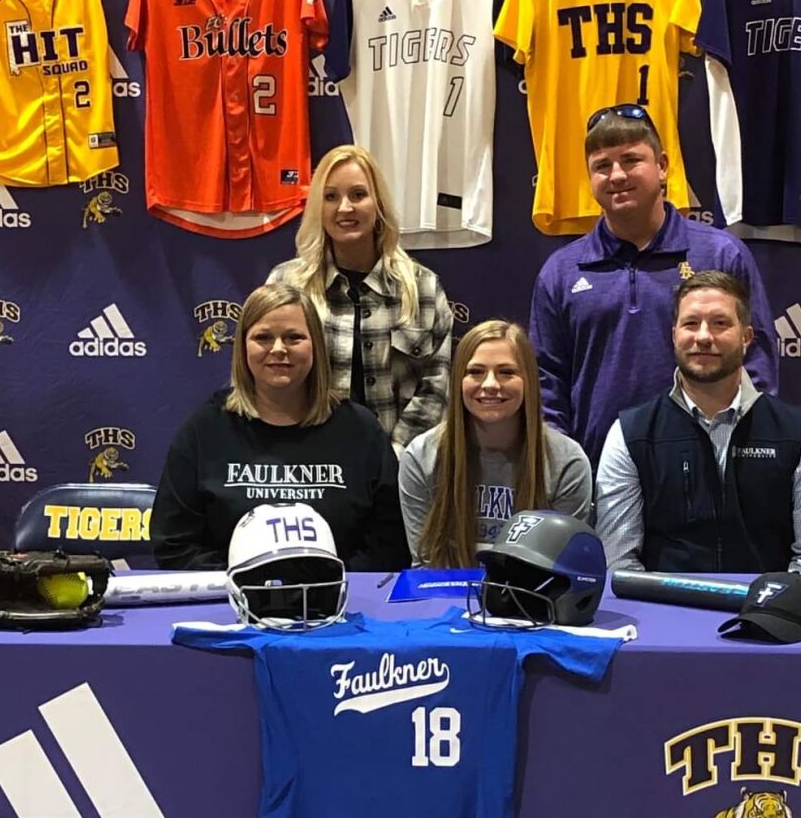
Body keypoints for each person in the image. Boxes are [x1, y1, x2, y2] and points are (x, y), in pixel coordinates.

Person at [529, 106, 778, 469]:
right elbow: (546, 380)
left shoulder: (721, 253)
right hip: (599, 475)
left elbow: (756, 363)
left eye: (631, 160)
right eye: (602, 165)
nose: (616, 175)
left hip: (710, 471)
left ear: (662, 166)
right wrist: (565, 467)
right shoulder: (561, 272)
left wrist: (738, 457)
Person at [595, 271, 801, 575]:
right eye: (691, 323)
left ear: (746, 337)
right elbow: (617, 561)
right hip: (667, 613)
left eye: (720, 323)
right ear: (674, 334)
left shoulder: (799, 433)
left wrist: (775, 611)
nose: (703, 336)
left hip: (769, 612)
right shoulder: (631, 434)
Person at [152, 282, 408, 571]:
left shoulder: (360, 430)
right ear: (243, 347)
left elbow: (390, 543)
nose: (278, 349)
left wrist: (330, 586)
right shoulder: (205, 429)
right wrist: (243, 587)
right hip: (230, 606)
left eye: (293, 337)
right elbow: (175, 543)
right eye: (263, 337)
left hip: (341, 604)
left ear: (316, 345)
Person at [267, 144, 452, 452]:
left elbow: (437, 386)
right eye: (331, 197)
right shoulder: (287, 285)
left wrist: (395, 458)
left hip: (402, 466)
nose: (344, 208)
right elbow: (266, 382)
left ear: (377, 203)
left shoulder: (422, 289)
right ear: (317, 207)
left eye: (357, 195)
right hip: (307, 463)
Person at [400, 320, 591, 565]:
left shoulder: (567, 462)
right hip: (447, 598)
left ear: (529, 382)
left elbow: (562, 569)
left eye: (507, 372)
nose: (490, 384)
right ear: (458, 380)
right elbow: (425, 566)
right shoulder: (421, 456)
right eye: (475, 372)